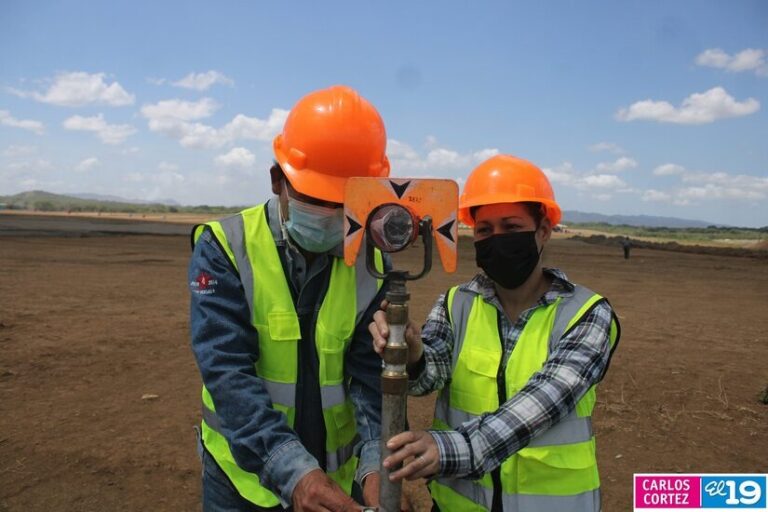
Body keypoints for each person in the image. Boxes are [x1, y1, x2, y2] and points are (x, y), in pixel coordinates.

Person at [370, 154, 621, 511]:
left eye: (511, 227)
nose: (497, 239)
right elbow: (430, 374)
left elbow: (545, 402)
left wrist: (452, 449)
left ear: (543, 231)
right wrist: (412, 354)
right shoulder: (456, 303)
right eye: (485, 230)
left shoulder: (586, 314)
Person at [190, 85, 392, 511]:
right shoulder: (226, 246)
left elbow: (371, 379)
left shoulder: (372, 263)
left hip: (336, 483)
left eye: (343, 203)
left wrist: (377, 468)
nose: (329, 214)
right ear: (277, 180)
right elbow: (227, 371)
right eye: (314, 198)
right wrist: (293, 472)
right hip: (241, 483)